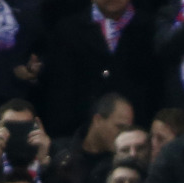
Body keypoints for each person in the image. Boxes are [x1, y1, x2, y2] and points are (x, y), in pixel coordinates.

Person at [42, 0, 157, 139]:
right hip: (80, 137)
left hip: (137, 136)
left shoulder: (151, 27)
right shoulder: (68, 30)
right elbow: (60, 93)